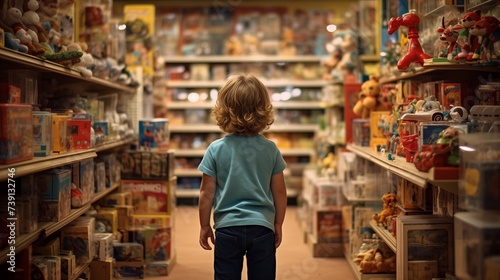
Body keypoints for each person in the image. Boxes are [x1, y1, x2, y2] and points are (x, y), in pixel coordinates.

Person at [198, 73, 288, 280]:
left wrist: (204, 225)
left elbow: (206, 193)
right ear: (263, 109)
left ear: (223, 109)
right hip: (262, 228)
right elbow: (280, 192)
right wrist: (278, 223)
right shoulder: (270, 149)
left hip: (227, 228)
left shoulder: (215, 149)